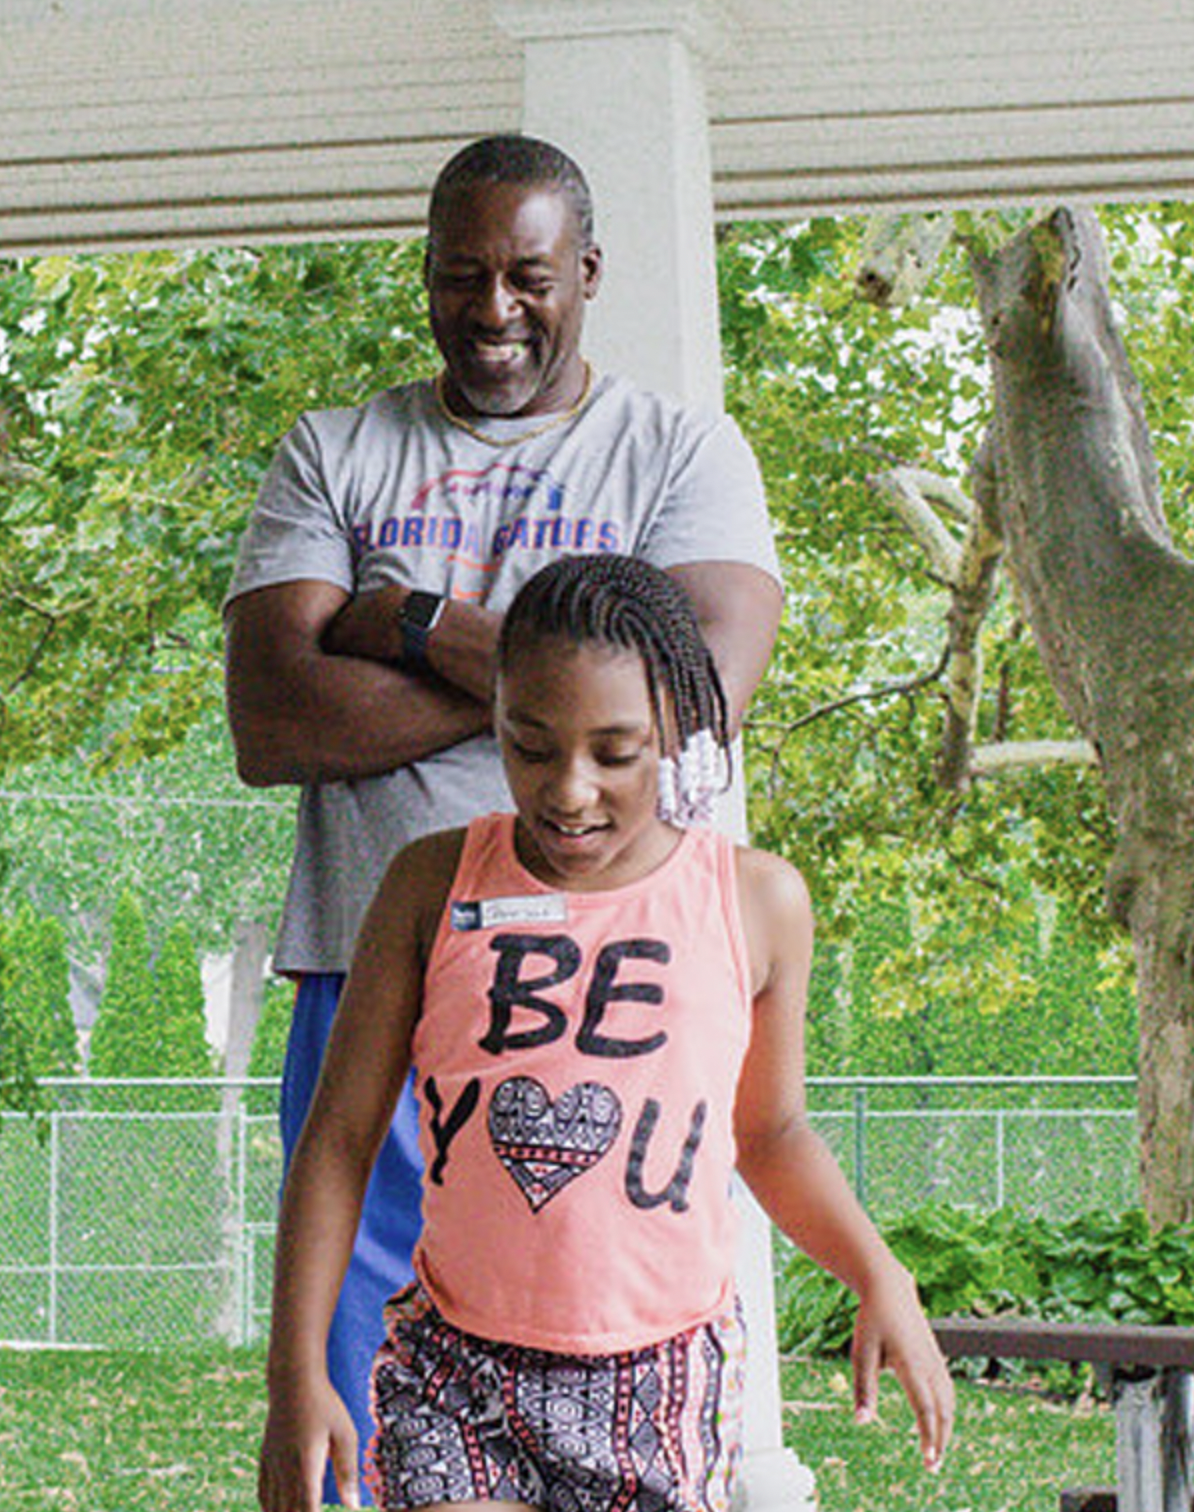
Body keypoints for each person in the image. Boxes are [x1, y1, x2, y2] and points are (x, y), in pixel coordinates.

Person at [224, 134, 785, 1486]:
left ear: (585, 272)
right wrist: (557, 685)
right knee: (363, 1401)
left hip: (611, 1007)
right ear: (423, 277)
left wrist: (406, 621)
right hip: (368, 964)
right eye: (458, 275)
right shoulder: (335, 451)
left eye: (527, 274)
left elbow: (696, 699)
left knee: (584, 1371)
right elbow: (275, 719)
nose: (491, 307)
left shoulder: (677, 453)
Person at [261, 554, 951, 1512]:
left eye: (615, 752)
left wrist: (882, 1274)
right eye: (530, 746)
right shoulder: (428, 885)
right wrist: (295, 1376)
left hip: (661, 1382)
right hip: (458, 1372)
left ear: (674, 729)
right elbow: (338, 1138)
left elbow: (774, 1133)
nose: (570, 791)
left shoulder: (754, 902)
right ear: (495, 715)